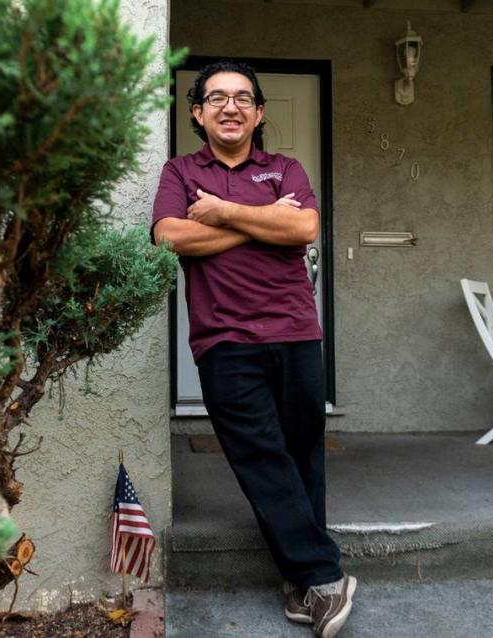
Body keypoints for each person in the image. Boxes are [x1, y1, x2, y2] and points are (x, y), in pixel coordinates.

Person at [151, 60, 355, 638]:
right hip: (223, 339)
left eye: (242, 98)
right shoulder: (180, 170)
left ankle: (299, 583)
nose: (230, 106)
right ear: (197, 113)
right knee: (259, 456)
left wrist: (221, 213)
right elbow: (169, 236)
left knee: (302, 455)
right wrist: (262, 220)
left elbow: (304, 229)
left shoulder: (285, 168)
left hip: (294, 332)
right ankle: (323, 575)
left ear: (259, 113)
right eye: (216, 98)